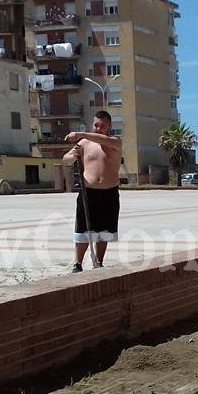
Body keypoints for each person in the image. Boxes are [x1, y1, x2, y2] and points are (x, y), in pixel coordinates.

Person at [63, 111, 123, 273]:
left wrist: (81, 134)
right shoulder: (83, 143)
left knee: (105, 231)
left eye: (102, 125)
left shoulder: (115, 142)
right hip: (88, 193)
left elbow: (102, 140)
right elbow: (66, 159)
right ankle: (78, 264)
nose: (98, 128)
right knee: (83, 230)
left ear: (109, 126)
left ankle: (99, 261)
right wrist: (73, 155)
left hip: (109, 192)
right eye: (96, 125)